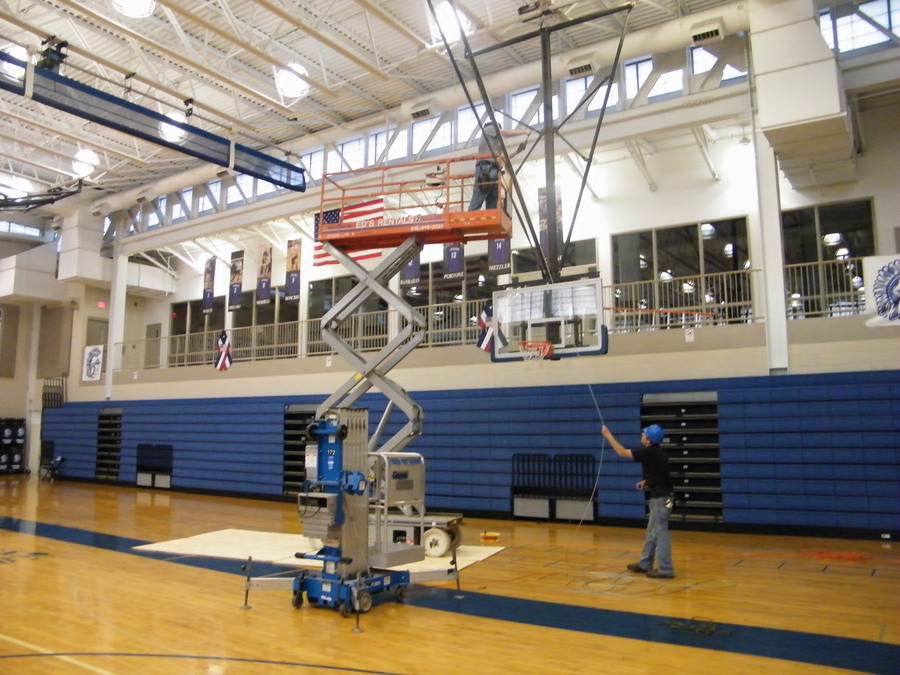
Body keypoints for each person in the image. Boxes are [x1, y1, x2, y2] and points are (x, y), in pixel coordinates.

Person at [601, 423, 676, 578]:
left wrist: (608, 435)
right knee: (652, 531)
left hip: (662, 499)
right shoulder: (658, 453)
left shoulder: (649, 452)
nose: (642, 435)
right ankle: (645, 563)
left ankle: (666, 569)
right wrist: (646, 482)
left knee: (660, 532)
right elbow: (660, 474)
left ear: (649, 440)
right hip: (666, 498)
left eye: (644, 434)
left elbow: (622, 452)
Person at [468, 121, 530, 211]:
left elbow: (503, 158)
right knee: (478, 199)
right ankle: (471, 216)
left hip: (492, 170)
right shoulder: (488, 129)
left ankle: (487, 217)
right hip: (486, 168)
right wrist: (524, 132)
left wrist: (517, 151)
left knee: (492, 202)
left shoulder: (495, 145)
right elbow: (505, 133)